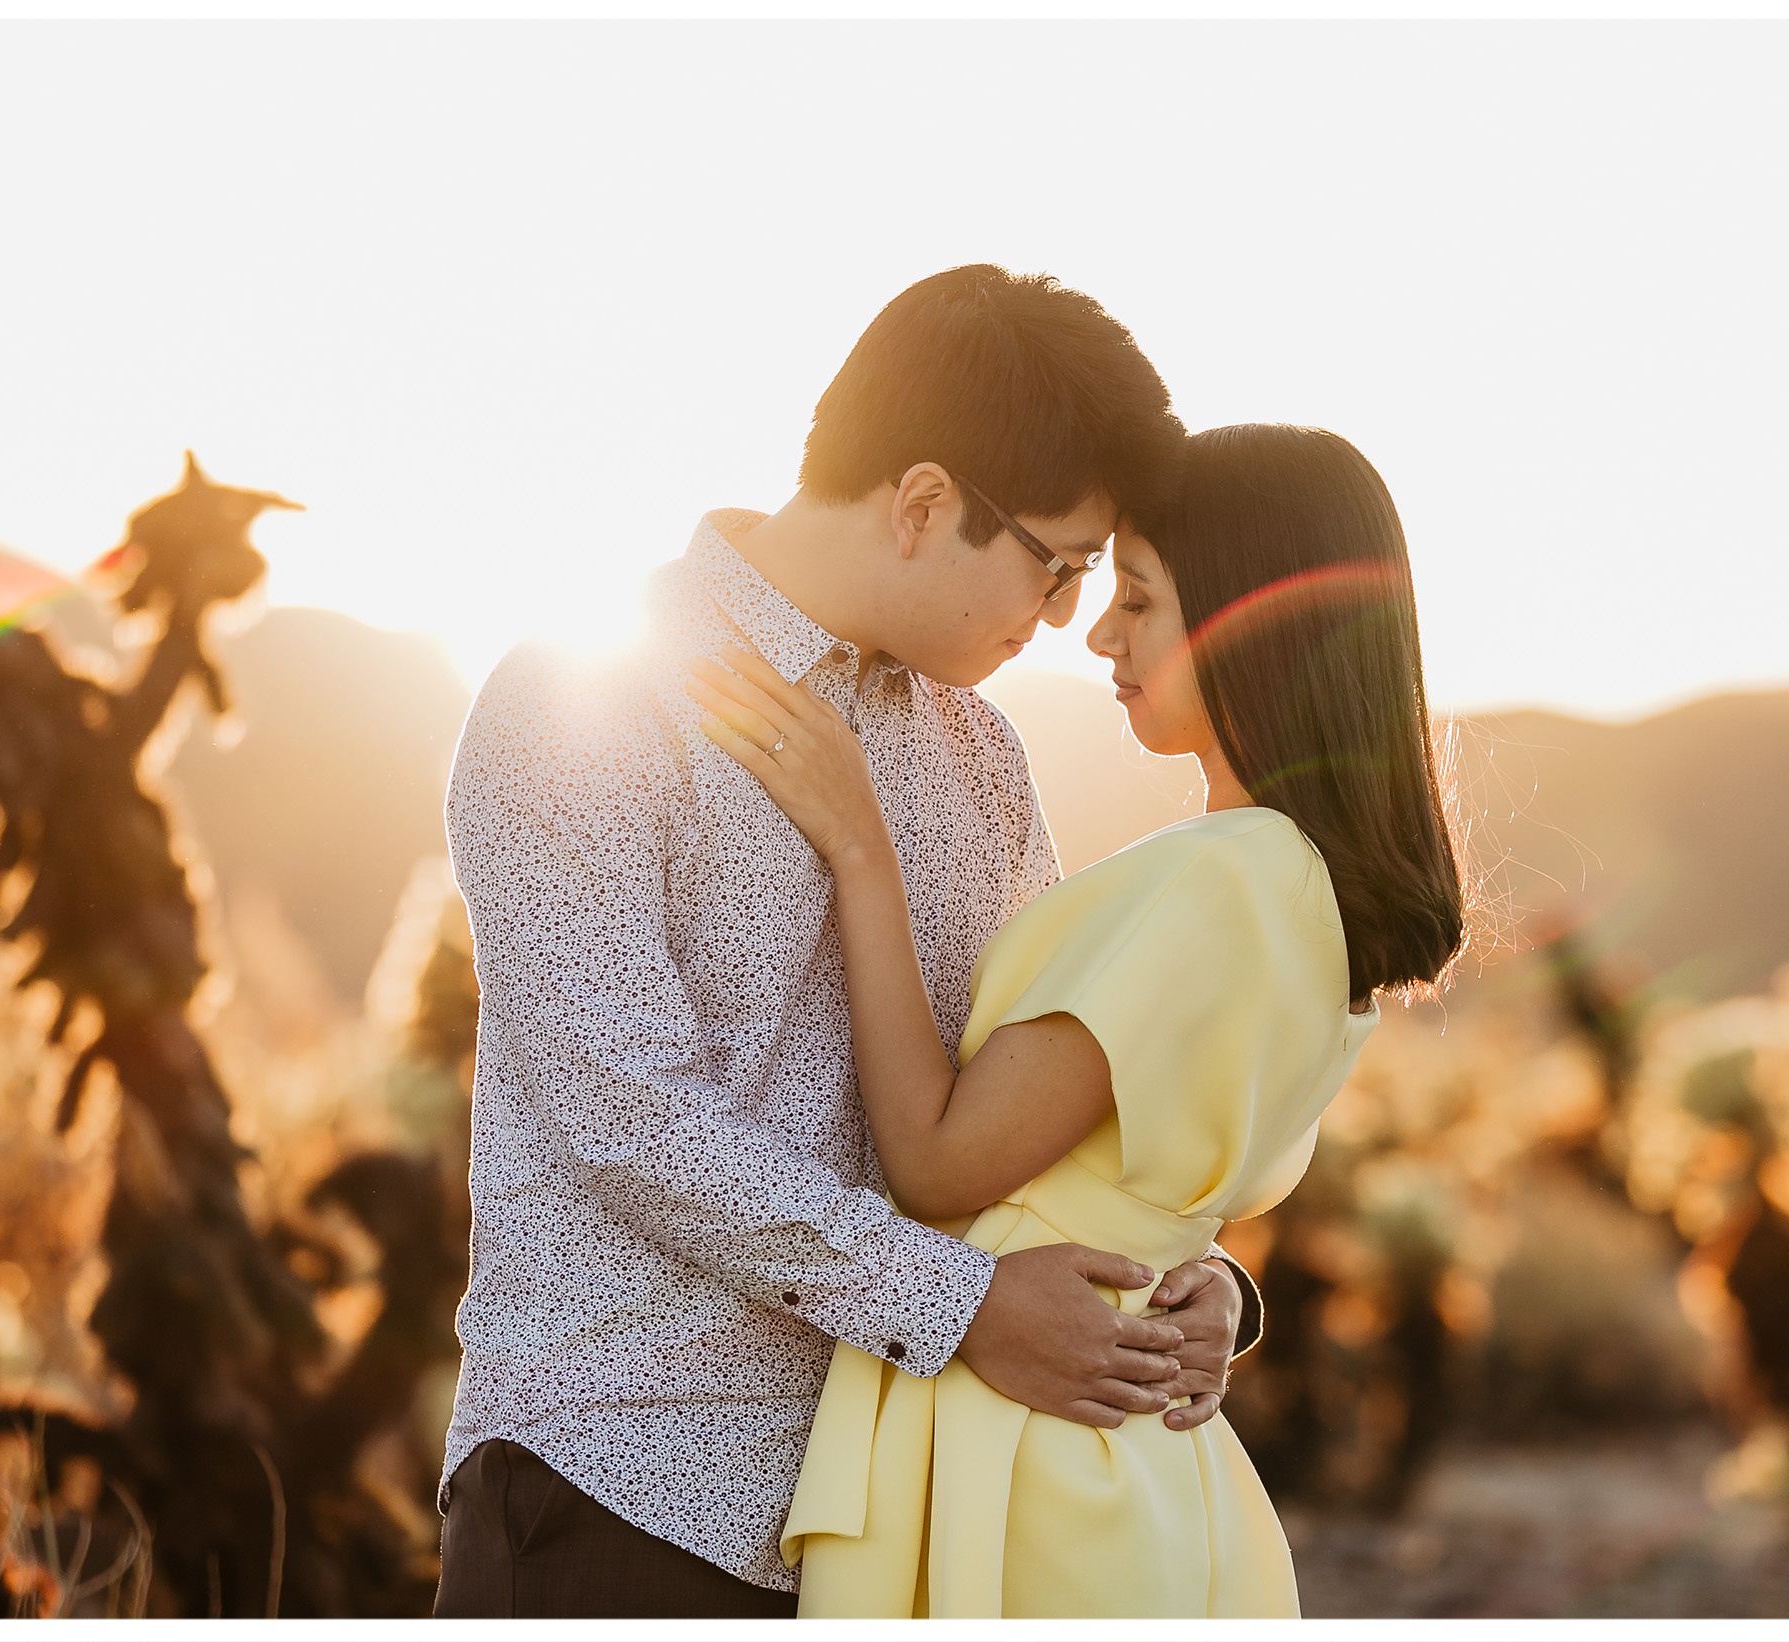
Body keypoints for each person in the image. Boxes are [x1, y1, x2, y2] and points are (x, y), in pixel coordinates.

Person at [431, 266, 1268, 1618]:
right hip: (621, 1501)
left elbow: (1029, 1095)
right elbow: (627, 1112)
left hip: (900, 1526)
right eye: (1055, 566)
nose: (1062, 618)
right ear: (926, 503)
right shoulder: (581, 696)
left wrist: (1195, 1282)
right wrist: (964, 1305)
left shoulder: (982, 756)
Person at [685, 422, 1468, 1617]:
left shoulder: (1225, 877)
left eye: (1140, 600)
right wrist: (1207, 1273)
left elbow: (942, 1163)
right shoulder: (1295, 886)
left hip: (1034, 1448)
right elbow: (1129, 1164)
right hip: (1109, 1430)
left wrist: (857, 841)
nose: (1097, 631)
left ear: (1259, 623)